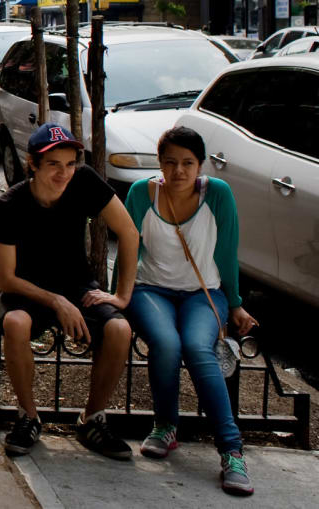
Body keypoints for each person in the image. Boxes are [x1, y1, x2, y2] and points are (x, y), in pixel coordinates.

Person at [0, 123, 138, 460]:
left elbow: (129, 232)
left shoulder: (83, 182)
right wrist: (56, 302)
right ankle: (28, 417)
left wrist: (122, 296)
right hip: (27, 290)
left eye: (70, 163)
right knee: (15, 324)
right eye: (54, 164)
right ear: (33, 164)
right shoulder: (9, 206)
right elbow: (7, 280)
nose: (64, 172)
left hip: (77, 286)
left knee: (119, 329)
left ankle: (92, 419)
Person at [124, 127, 257, 496]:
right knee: (166, 343)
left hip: (204, 293)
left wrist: (235, 304)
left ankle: (231, 451)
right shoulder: (142, 193)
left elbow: (227, 254)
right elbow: (129, 249)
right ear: (160, 163)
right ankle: (165, 426)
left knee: (198, 348)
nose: (178, 171)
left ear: (201, 165)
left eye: (188, 163)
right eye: (170, 162)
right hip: (151, 290)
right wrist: (119, 294)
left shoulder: (218, 195)